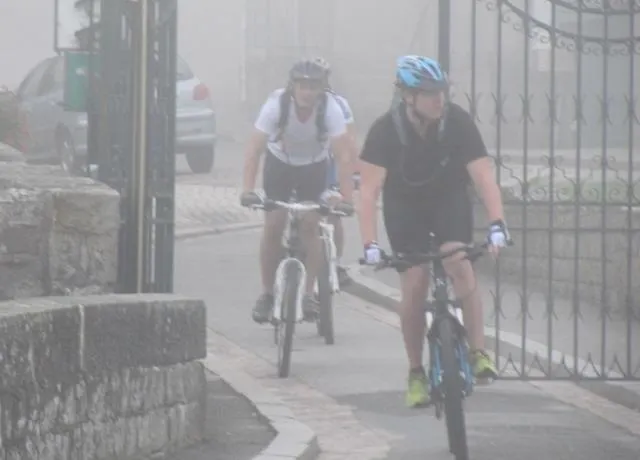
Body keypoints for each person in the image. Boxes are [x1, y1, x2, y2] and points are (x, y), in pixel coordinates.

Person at [358, 55, 510, 408]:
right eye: (429, 93)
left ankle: (478, 352)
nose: (439, 99)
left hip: (448, 200)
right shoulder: (384, 130)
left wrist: (497, 223)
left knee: (459, 263)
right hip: (405, 207)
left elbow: (483, 177)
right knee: (414, 284)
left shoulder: (457, 122)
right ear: (407, 96)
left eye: (442, 91)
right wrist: (370, 243)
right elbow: (368, 192)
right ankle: (416, 373)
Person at [240, 58, 355, 324]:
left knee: (310, 225)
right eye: (302, 86)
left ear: (321, 88)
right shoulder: (276, 104)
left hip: (313, 167)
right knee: (273, 224)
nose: (307, 92)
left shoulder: (330, 109)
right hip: (280, 165)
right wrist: (247, 190)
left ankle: (308, 293)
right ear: (292, 86)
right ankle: (267, 294)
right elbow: (254, 149)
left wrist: (347, 198)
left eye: (313, 86)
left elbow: (343, 156)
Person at [311, 56, 359, 287]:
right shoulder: (295, 101)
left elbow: (349, 141)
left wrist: (353, 172)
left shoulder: (339, 104)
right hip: (306, 163)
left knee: (335, 214)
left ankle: (336, 264)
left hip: (331, 162)